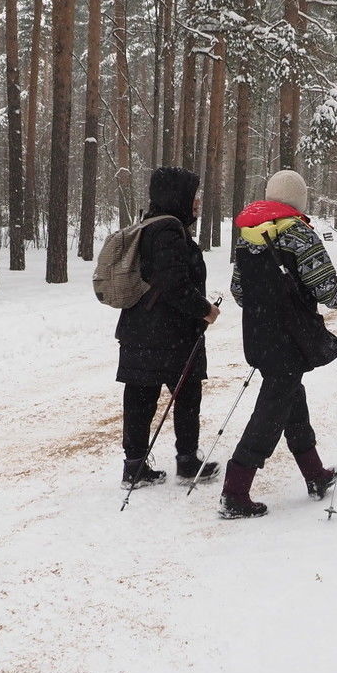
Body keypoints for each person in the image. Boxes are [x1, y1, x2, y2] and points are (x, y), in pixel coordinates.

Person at [219, 169, 337, 519]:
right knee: (270, 413)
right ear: (298, 200)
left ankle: (314, 475)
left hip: (258, 338)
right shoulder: (300, 235)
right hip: (290, 340)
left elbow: (238, 292)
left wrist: (267, 307)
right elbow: (330, 292)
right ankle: (235, 491)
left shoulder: (247, 236)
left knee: (291, 400)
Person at [116, 167, 222, 489]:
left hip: (140, 329)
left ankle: (134, 467)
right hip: (169, 333)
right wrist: (205, 310)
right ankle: (187, 462)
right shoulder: (169, 231)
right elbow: (173, 283)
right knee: (186, 395)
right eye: (194, 195)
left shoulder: (149, 226)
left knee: (140, 398)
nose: (198, 201)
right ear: (179, 196)